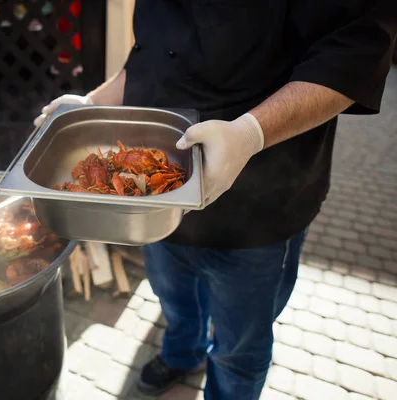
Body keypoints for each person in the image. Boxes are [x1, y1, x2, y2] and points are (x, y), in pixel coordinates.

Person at [34, 1, 397, 399]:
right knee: (171, 296)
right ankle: (182, 354)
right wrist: (91, 104)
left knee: (239, 345)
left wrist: (249, 133)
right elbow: (150, 55)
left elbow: (354, 52)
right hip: (160, 202)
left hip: (259, 209)